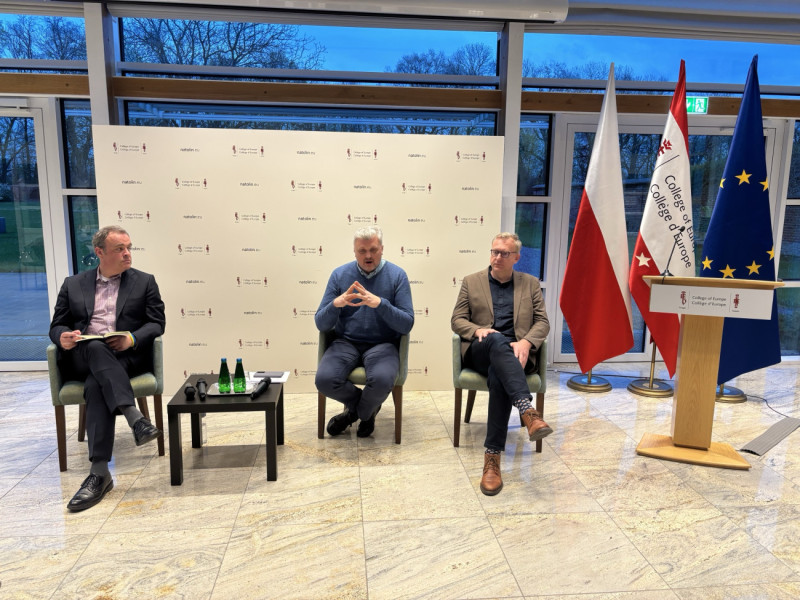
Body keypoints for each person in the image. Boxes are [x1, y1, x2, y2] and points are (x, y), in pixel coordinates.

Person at [49, 225, 166, 511]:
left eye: (129, 248)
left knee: (95, 385)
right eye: (119, 249)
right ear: (99, 252)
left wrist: (131, 338)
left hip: (125, 357)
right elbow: (57, 325)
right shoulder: (73, 284)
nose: (127, 254)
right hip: (83, 355)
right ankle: (134, 417)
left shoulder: (144, 282)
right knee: (94, 345)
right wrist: (63, 337)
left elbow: (156, 323)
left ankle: (99, 473)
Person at [451, 232, 551, 496]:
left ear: (516, 257)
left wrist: (526, 342)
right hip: (480, 350)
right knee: (496, 340)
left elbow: (543, 322)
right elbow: (457, 320)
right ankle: (527, 409)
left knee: (499, 372)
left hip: (517, 355)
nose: (497, 257)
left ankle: (492, 459)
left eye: (504, 253)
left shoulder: (530, 284)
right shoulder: (471, 282)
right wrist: (477, 330)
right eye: (494, 252)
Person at [315, 226, 414, 438]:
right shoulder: (339, 275)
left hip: (383, 344)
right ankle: (367, 411)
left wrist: (381, 304)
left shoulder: (398, 276)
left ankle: (351, 415)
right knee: (324, 380)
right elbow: (321, 323)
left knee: (382, 380)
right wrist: (336, 304)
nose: (368, 255)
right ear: (354, 251)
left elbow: (407, 324)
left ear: (382, 249)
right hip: (345, 343)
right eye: (362, 250)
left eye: (373, 250)